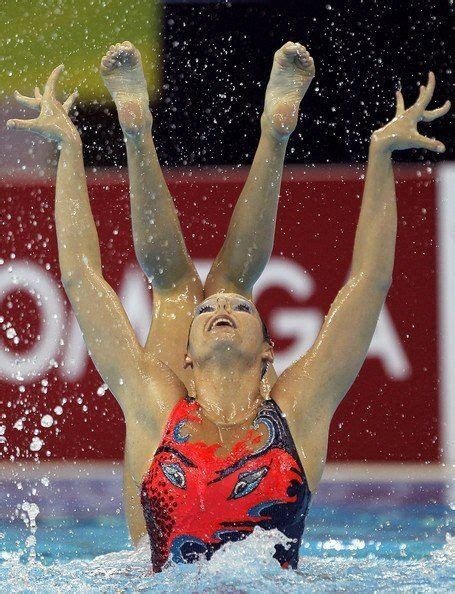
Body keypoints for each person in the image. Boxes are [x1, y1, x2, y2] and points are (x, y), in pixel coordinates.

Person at [7, 40, 449, 571]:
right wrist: (70, 148)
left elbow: (369, 282)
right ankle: (257, 132)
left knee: (182, 288)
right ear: (186, 357)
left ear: (269, 350)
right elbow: (81, 279)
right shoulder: (157, 407)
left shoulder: (297, 414)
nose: (218, 308)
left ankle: (146, 132)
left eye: (238, 312)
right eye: (209, 314)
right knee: (207, 283)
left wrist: (380, 154)